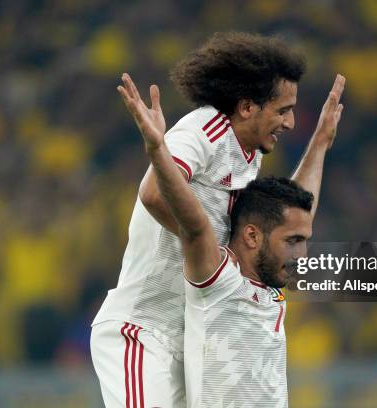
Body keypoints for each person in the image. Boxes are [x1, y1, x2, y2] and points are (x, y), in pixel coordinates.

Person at [91, 31, 344, 407]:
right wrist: (217, 251)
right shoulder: (203, 131)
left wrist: (320, 143)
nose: (290, 122)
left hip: (194, 338)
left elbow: (287, 221)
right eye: (283, 110)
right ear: (246, 107)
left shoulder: (249, 156)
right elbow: (154, 195)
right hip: (144, 331)